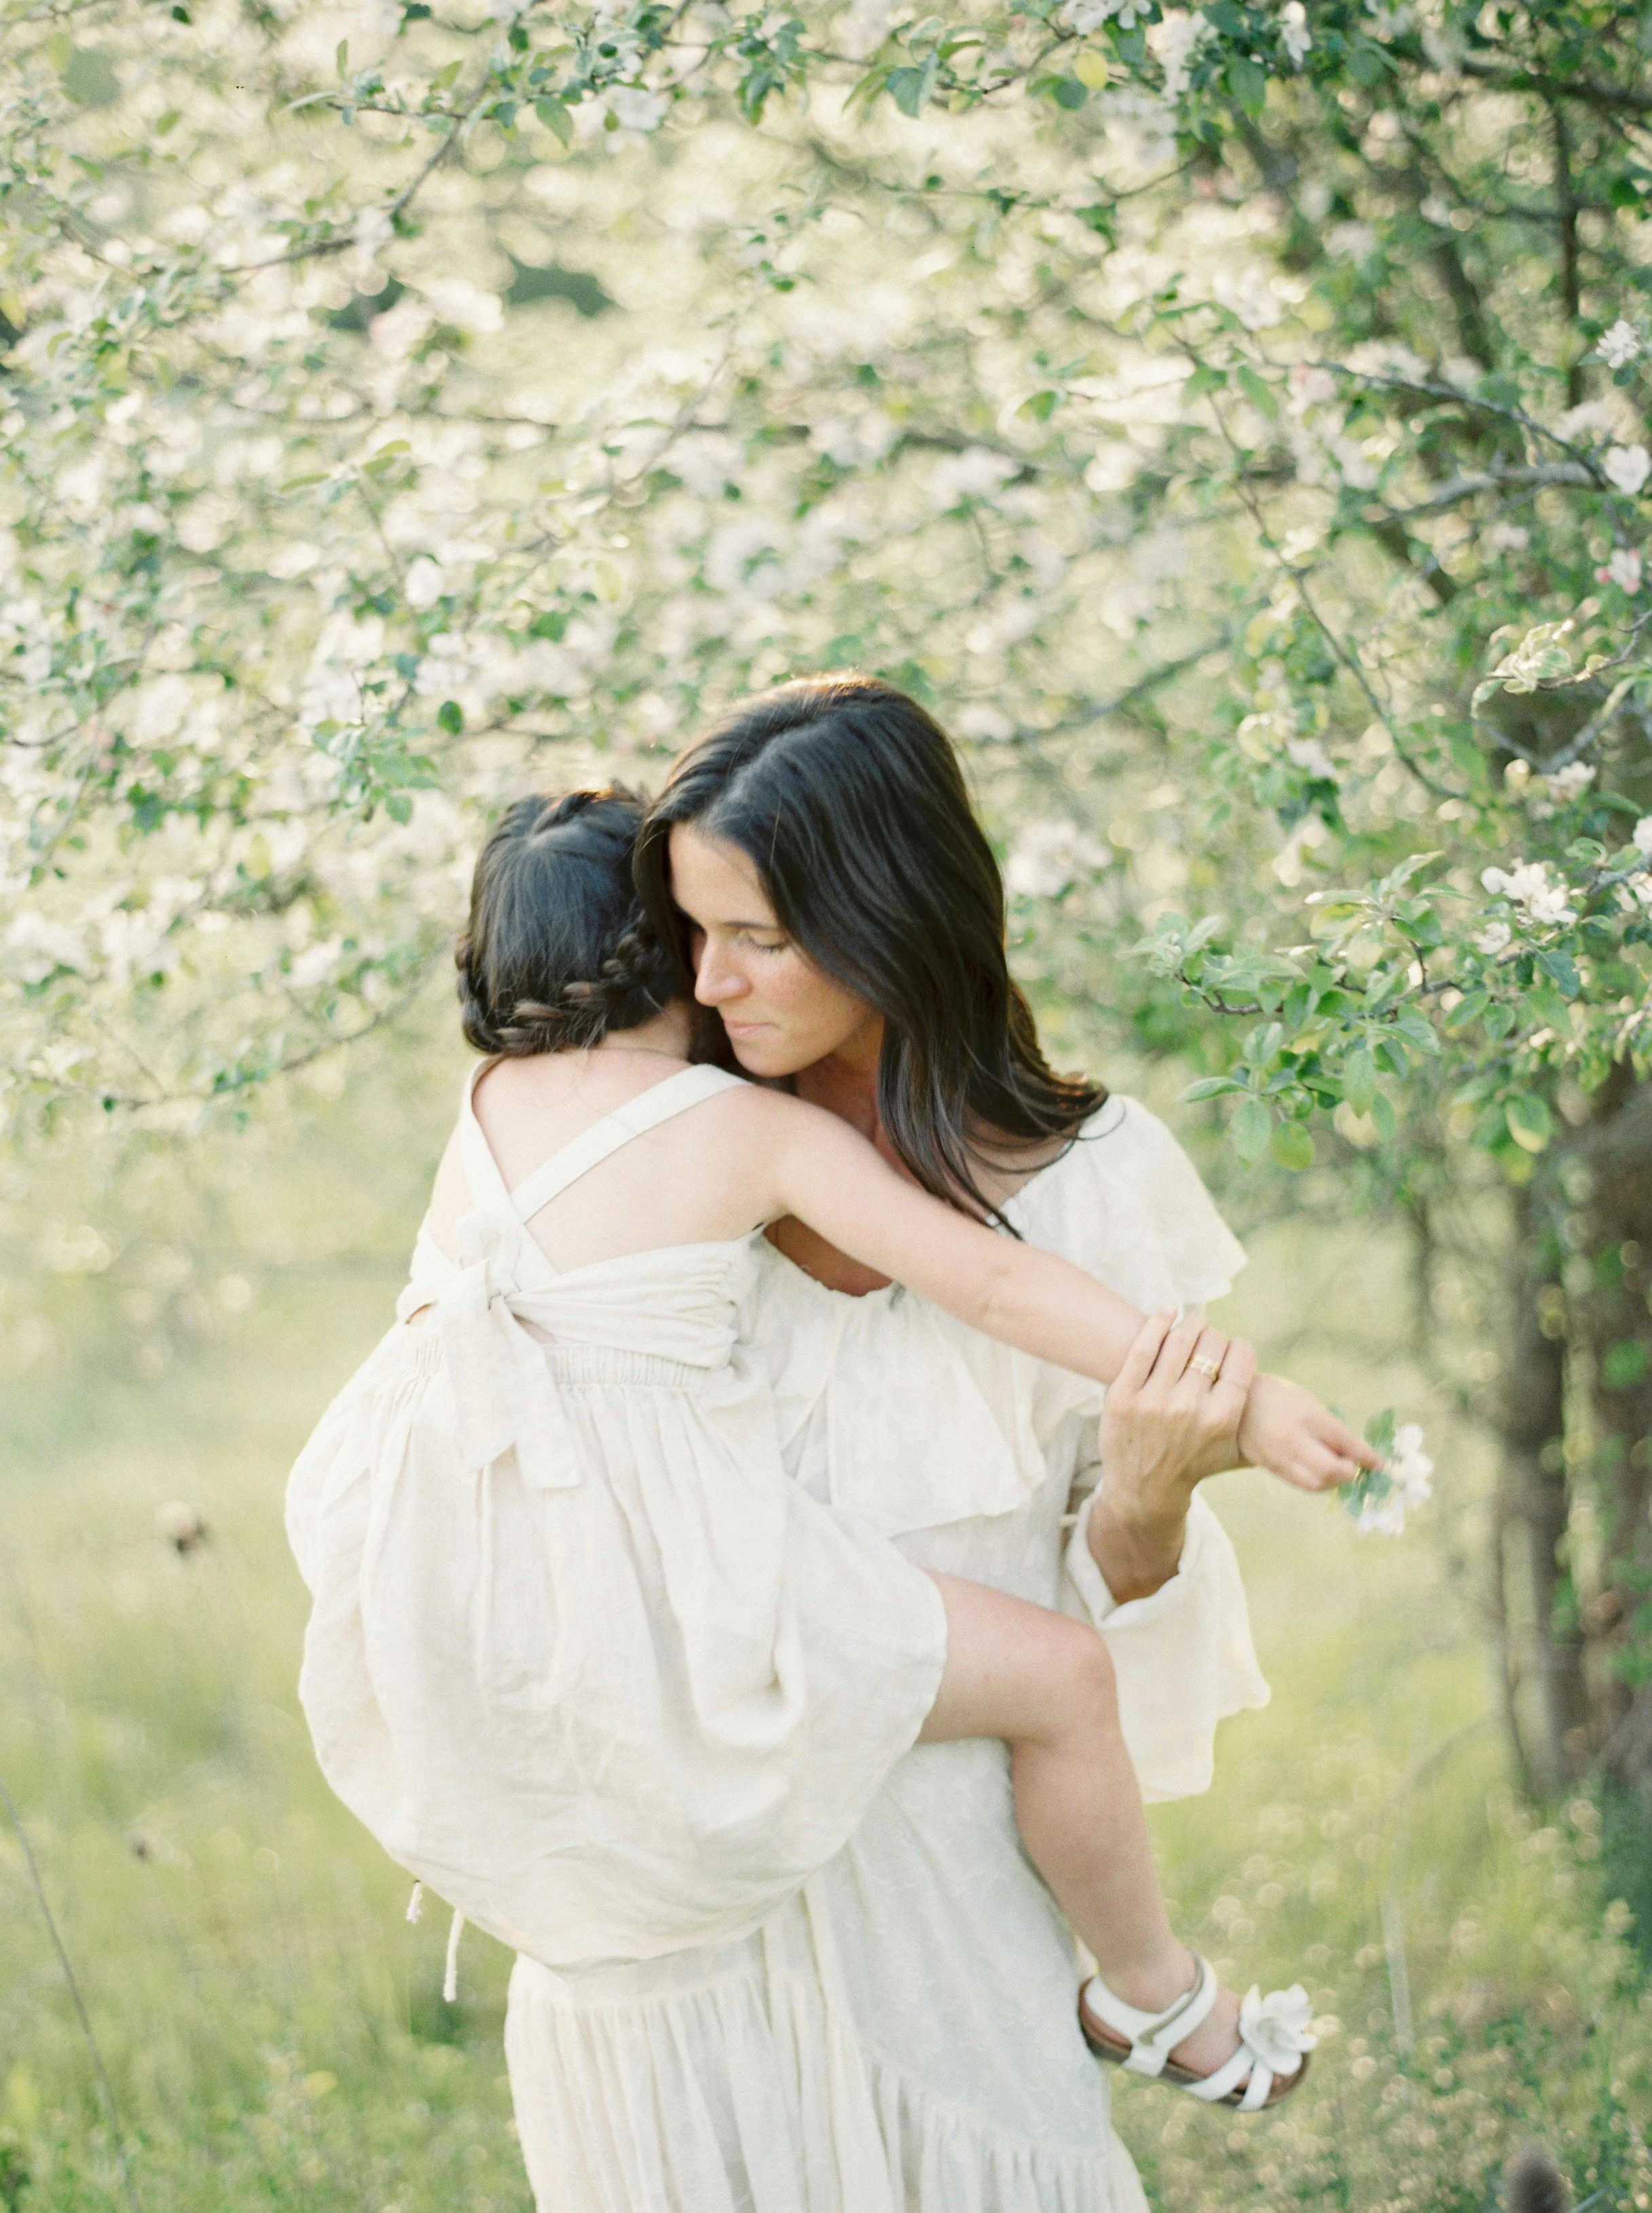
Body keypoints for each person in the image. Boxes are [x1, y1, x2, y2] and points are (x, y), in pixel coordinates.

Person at [287, 780, 1369, 2146]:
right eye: (706, 933)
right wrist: (1247, 1392)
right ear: (669, 951)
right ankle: (1149, 1987)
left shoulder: (490, 1106)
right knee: (1058, 1677)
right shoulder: (743, 1131)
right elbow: (986, 1279)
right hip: (702, 1583)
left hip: (528, 1590)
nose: (726, 971)